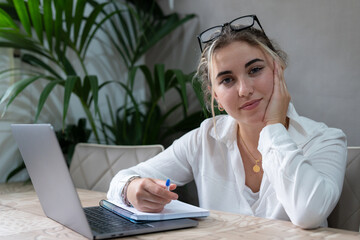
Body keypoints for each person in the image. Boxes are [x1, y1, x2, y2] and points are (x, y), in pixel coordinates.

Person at [107, 14, 347, 229]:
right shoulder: (204, 138)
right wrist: (131, 189)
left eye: (254, 70)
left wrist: (273, 127)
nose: (244, 90)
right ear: (216, 97)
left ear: (279, 71)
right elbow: (122, 179)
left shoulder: (324, 140)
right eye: (228, 80)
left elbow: (309, 214)